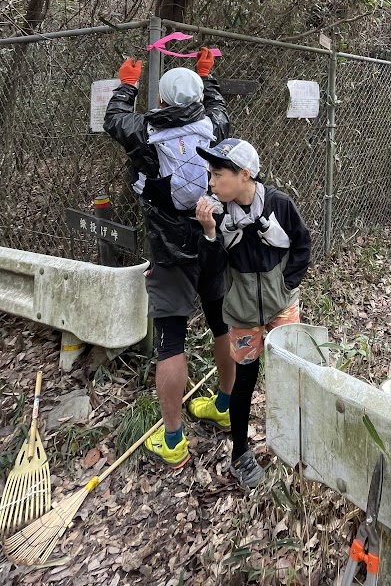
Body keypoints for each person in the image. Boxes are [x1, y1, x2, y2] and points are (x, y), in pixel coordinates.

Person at [103, 50, 234, 469]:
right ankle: (225, 405)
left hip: (169, 249)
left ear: (160, 99)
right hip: (211, 237)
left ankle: (174, 439)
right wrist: (206, 75)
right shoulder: (213, 124)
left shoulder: (144, 132)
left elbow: (113, 119)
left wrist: (127, 84)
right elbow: (218, 104)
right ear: (197, 98)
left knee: (172, 339)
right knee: (221, 324)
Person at [194, 139, 311, 489]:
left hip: (282, 305)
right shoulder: (217, 213)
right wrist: (209, 233)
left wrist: (286, 284)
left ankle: (294, 437)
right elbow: (211, 271)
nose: (211, 182)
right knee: (244, 380)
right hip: (242, 313)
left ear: (244, 175)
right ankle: (240, 454)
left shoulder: (278, 204)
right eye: (211, 174)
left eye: (218, 174)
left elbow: (302, 243)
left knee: (292, 370)